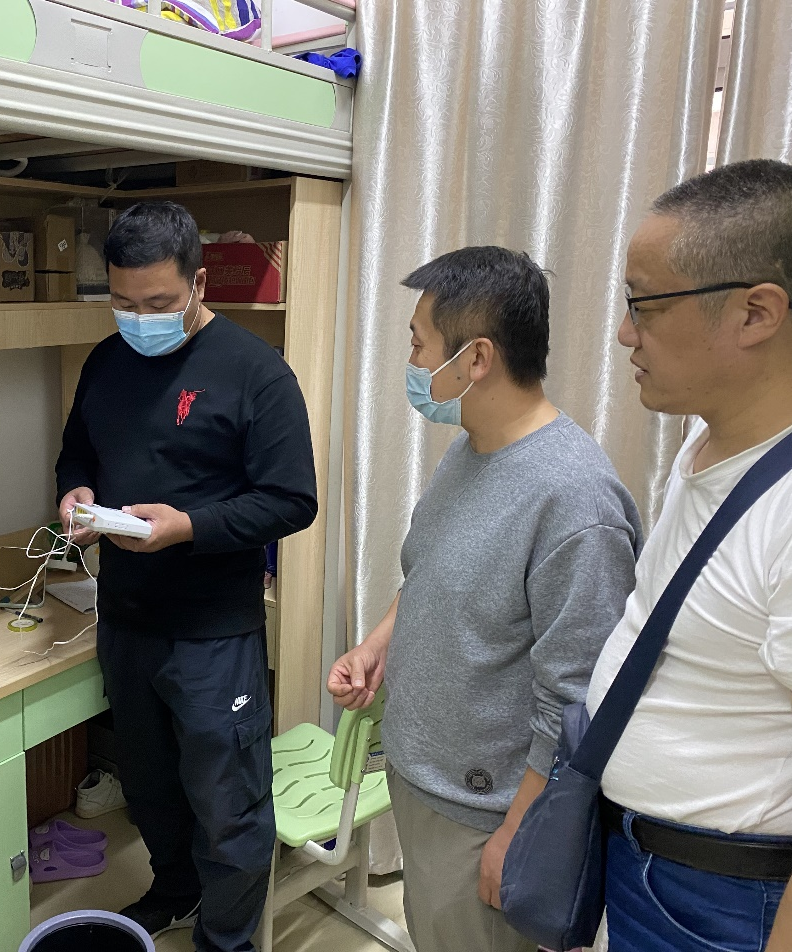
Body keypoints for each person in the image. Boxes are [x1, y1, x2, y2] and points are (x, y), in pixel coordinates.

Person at [326, 247, 642, 952]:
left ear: (475, 358)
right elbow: (429, 575)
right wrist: (377, 647)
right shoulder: (470, 450)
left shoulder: (575, 502)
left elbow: (576, 699)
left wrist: (517, 831)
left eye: (418, 344)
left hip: (487, 815)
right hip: (423, 778)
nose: (410, 360)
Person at [56, 201, 318, 951]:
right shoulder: (105, 362)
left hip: (213, 632)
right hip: (126, 620)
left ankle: (227, 940)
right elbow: (76, 452)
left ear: (199, 284)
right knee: (150, 788)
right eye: (124, 302)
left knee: (228, 804)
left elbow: (291, 501)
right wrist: (74, 492)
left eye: (158, 303)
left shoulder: (255, 372)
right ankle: (174, 891)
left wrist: (187, 526)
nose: (139, 319)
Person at [589, 158, 792, 952]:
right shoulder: (710, 443)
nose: (624, 332)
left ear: (755, 312)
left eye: (643, 304)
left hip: (726, 900)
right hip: (646, 859)